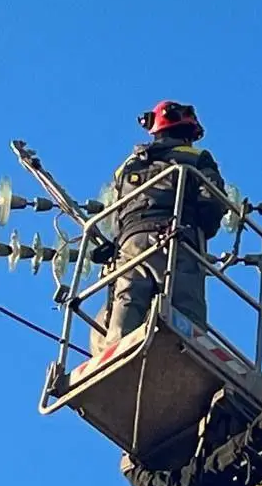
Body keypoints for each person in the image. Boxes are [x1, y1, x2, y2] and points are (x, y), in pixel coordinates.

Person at [93, 100, 229, 353]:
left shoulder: (128, 166)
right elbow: (211, 200)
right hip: (177, 238)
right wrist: (204, 229)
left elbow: (117, 213)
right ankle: (189, 353)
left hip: (129, 244)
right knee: (184, 303)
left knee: (128, 297)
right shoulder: (198, 158)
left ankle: (115, 354)